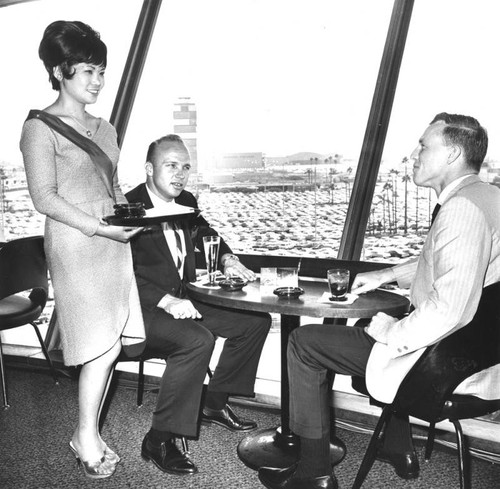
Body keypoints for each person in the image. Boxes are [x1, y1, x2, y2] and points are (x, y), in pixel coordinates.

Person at [258, 112, 500, 489]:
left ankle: (314, 472)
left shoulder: (461, 210)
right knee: (361, 329)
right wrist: (386, 275)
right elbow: (444, 259)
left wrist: (389, 332)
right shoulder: (486, 197)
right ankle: (396, 445)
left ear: (452, 153)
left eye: (423, 145)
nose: (415, 153)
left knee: (304, 343)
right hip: (480, 356)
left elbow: (449, 310)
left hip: (444, 365)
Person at [20, 21, 145, 480]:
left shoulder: (105, 127)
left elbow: (109, 187)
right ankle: (85, 435)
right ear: (59, 71)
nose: (97, 81)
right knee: (97, 346)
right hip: (76, 246)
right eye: (87, 71)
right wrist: (101, 228)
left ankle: (86, 430)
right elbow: (44, 198)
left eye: (101, 72)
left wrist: (131, 216)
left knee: (109, 345)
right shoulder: (39, 128)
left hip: (112, 244)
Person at [126, 134, 272, 476]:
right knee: (197, 339)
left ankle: (213, 404)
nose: (180, 174)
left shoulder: (186, 200)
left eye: (186, 167)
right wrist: (166, 300)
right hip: (141, 307)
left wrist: (228, 259)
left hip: (183, 301)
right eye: (171, 165)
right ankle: (159, 438)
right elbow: (121, 273)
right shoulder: (128, 207)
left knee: (255, 323)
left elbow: (206, 232)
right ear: (149, 169)